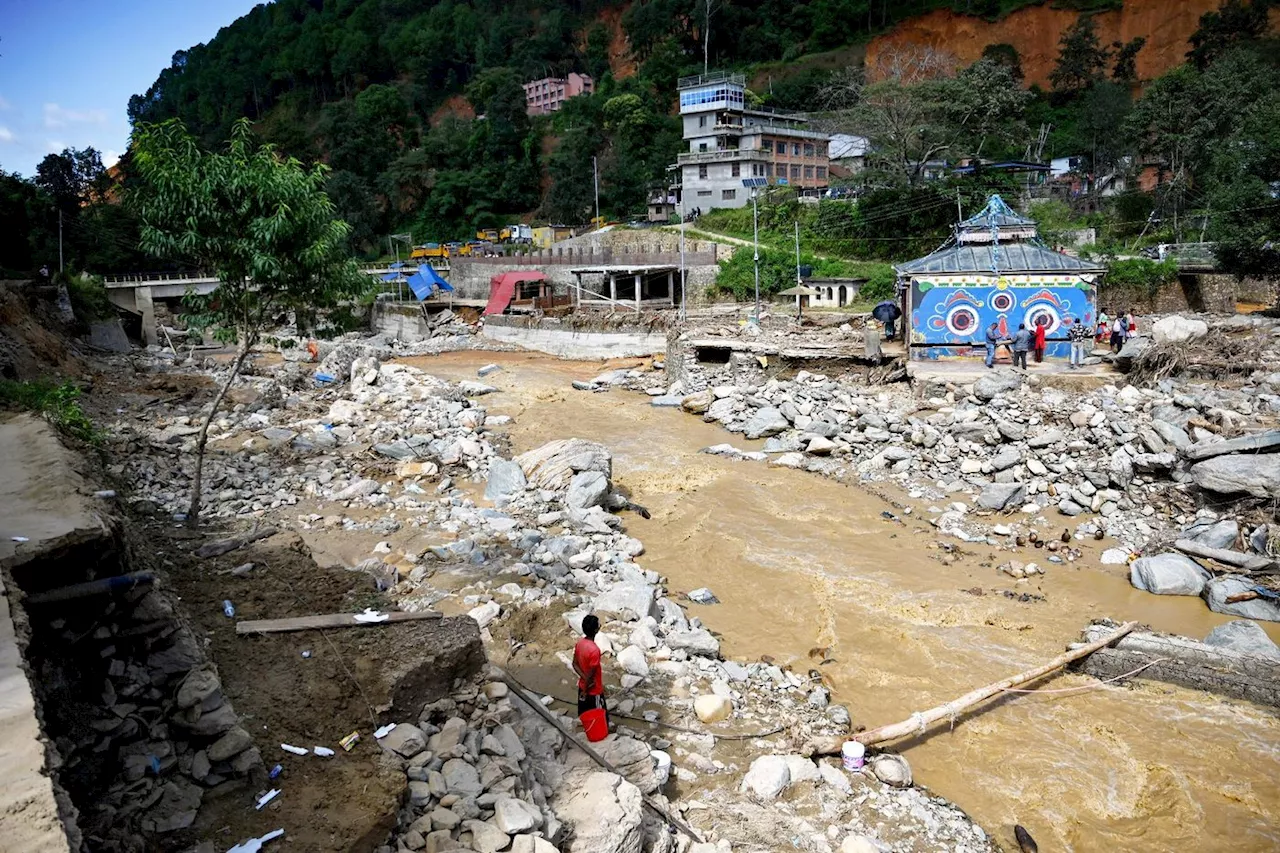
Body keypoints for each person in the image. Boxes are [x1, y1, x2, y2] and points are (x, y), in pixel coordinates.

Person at [573, 614, 608, 737]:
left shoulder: (580, 644)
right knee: (600, 718)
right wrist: (586, 688)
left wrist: (583, 681)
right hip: (593, 690)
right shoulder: (594, 650)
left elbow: (574, 664)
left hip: (583, 686)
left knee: (584, 717)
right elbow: (591, 675)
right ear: (596, 630)